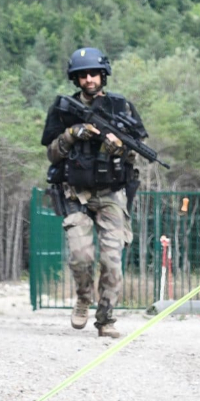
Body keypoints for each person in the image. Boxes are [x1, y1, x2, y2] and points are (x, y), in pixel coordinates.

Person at [41, 47, 145, 339]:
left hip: (111, 193)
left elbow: (134, 152)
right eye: (82, 75)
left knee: (112, 261)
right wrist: (72, 134)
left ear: (103, 75)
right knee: (81, 255)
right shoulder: (63, 109)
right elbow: (51, 154)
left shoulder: (120, 108)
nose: (89, 79)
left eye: (93, 73)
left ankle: (106, 318)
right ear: (76, 79)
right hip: (76, 193)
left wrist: (119, 148)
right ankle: (84, 298)